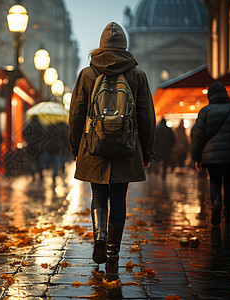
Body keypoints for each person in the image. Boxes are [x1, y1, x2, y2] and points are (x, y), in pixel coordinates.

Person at [68, 22, 155, 265]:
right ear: (124, 46)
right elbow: (147, 116)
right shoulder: (137, 75)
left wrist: (77, 147)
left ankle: (99, 237)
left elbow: (76, 114)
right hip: (126, 148)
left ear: (101, 46)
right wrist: (147, 151)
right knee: (119, 197)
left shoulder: (87, 74)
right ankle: (113, 249)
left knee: (98, 194)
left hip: (93, 146)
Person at [191, 82, 230, 226]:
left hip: (211, 157)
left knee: (215, 182)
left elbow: (198, 137)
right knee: (229, 184)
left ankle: (216, 202)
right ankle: (229, 216)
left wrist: (196, 158)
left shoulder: (205, 112)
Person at [22, 115, 47, 181]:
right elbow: (44, 134)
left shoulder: (28, 125)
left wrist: (28, 140)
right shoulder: (40, 125)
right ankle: (40, 174)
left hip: (30, 145)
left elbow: (23, 132)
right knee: (38, 160)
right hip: (38, 146)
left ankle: (32, 173)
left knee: (31, 160)